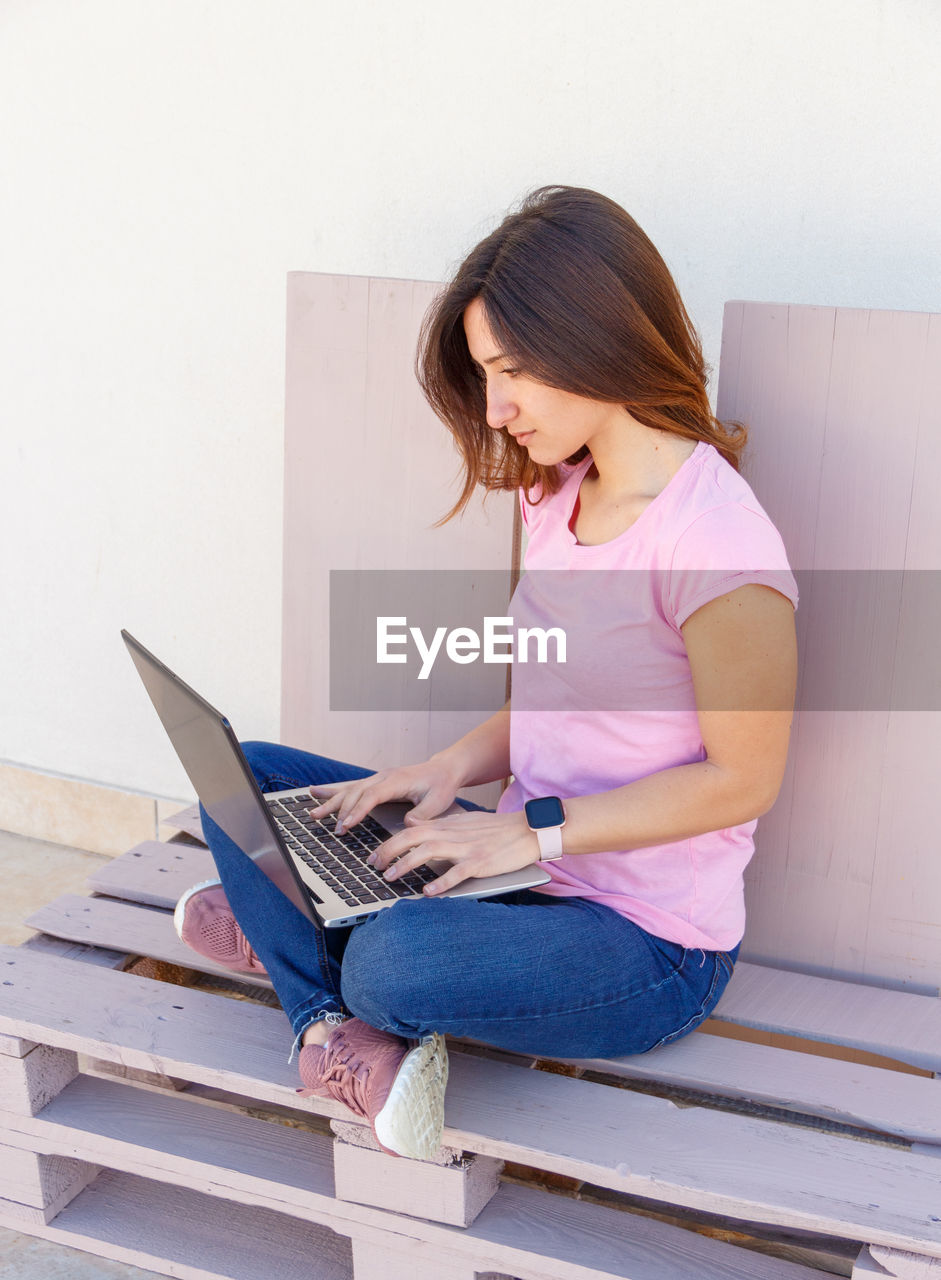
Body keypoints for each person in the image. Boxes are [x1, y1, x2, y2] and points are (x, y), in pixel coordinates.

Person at [175, 186, 798, 1161]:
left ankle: (303, 955)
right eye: (483, 374)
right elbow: (549, 687)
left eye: (511, 371)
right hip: (511, 864)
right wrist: (445, 768)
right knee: (239, 772)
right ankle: (324, 1027)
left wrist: (525, 830)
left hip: (640, 939)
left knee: (391, 961)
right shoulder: (558, 494)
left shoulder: (718, 545)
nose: (496, 408)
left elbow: (743, 779)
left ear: (596, 339)